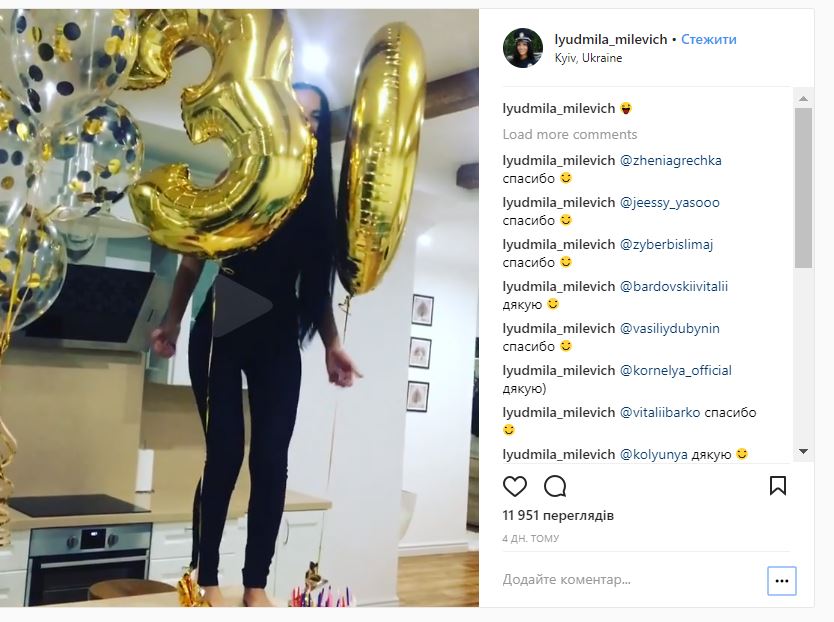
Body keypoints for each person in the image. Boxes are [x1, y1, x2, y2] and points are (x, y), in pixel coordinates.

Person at [150, 83, 362, 607]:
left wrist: (332, 344)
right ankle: (206, 576)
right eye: (295, 112)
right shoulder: (240, 178)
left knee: (271, 459)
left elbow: (316, 290)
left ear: (323, 131)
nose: (304, 123)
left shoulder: (319, 208)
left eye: (314, 118)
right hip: (226, 314)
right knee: (225, 452)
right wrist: (172, 322)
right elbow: (193, 258)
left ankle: (255, 585)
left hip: (278, 327)